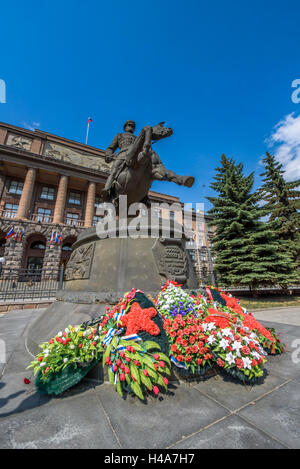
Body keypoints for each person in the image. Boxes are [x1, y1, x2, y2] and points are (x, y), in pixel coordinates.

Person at [102, 120, 137, 199]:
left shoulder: (137, 138)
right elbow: (111, 148)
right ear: (125, 127)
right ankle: (107, 188)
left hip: (134, 157)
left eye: (132, 126)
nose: (131, 127)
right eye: (129, 125)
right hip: (122, 155)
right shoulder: (119, 136)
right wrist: (108, 154)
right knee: (114, 171)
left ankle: (145, 196)